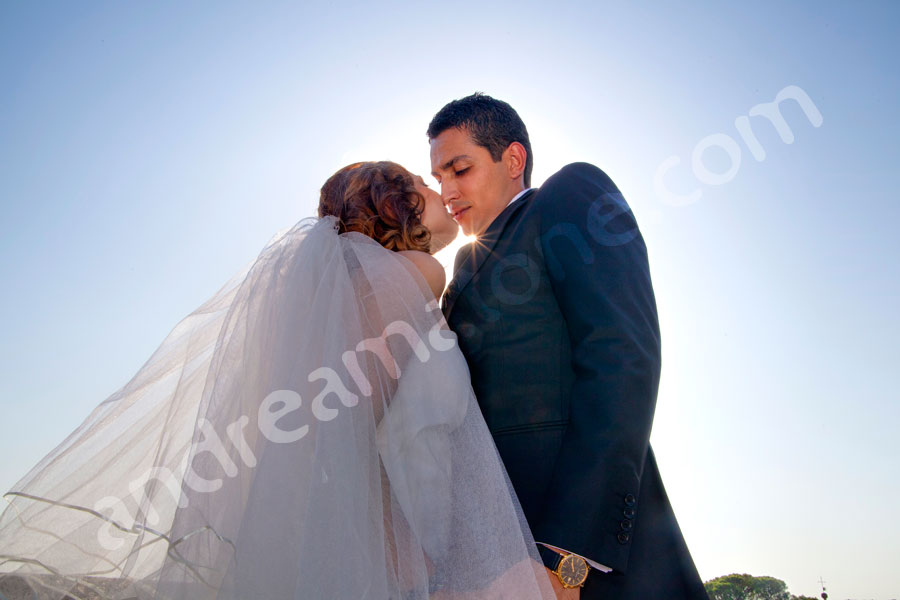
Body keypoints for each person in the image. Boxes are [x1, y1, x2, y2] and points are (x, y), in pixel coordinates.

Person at [0, 161, 556, 600]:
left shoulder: (367, 290)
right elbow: (348, 423)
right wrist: (405, 550)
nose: (438, 190)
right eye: (419, 181)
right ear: (395, 204)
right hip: (396, 559)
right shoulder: (419, 274)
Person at [429, 93, 709, 600]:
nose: (447, 189)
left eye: (459, 168)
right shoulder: (459, 272)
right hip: (492, 553)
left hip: (580, 561)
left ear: (513, 159)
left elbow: (620, 355)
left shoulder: (567, 196)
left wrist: (568, 553)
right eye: (438, 178)